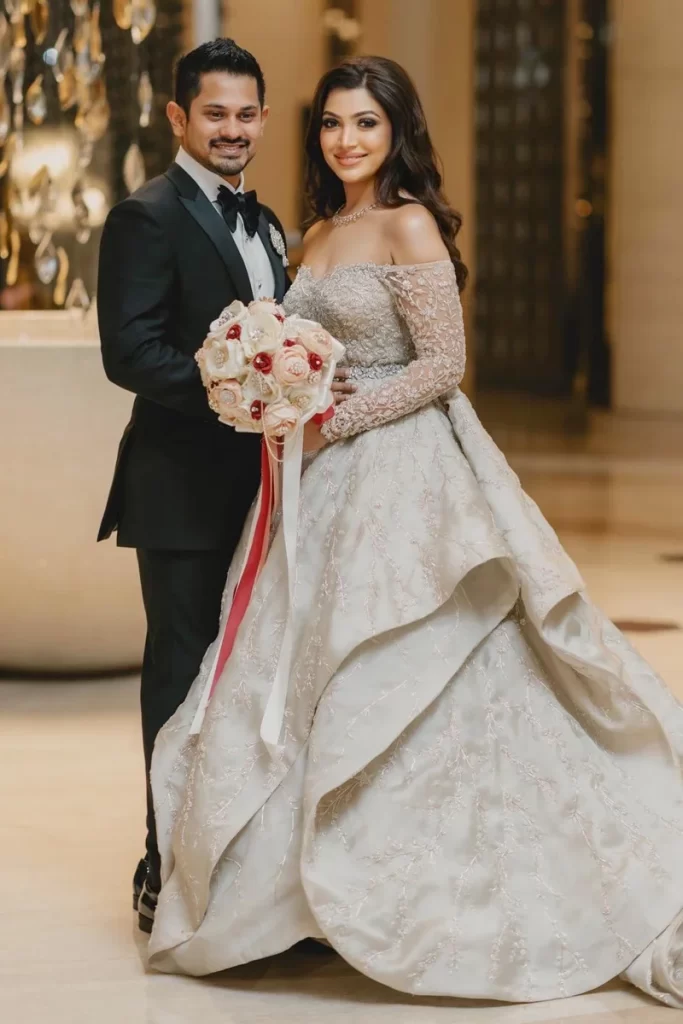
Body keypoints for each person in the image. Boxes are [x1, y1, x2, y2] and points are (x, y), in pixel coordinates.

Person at [147, 56, 683, 1008]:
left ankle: (449, 887)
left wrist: (335, 420)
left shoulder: (407, 222)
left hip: (403, 472)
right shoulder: (316, 230)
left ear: (396, 132)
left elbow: (442, 363)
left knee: (416, 656)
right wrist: (276, 396)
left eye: (366, 123)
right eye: (331, 124)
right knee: (299, 669)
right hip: (317, 483)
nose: (346, 140)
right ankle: (302, 899)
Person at [97, 38, 354, 933]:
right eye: (215, 113)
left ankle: (235, 862)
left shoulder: (270, 222)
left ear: (265, 117)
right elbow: (130, 353)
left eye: (247, 113)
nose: (233, 128)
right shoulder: (145, 215)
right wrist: (241, 396)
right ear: (178, 117)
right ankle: (160, 860)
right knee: (180, 675)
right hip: (178, 488)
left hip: (263, 488)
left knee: (245, 681)